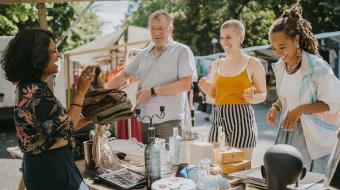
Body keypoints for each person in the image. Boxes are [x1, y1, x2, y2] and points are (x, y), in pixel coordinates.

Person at [1, 28, 98, 190]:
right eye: (53, 51)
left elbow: (57, 126)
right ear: (38, 56)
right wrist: (80, 92)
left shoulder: (26, 87)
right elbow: (65, 129)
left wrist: (92, 117)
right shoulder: (37, 93)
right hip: (53, 170)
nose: (58, 55)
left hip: (43, 167)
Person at [266, 3, 340, 174]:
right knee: (285, 179)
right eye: (273, 48)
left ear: (296, 40)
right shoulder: (280, 66)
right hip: (288, 131)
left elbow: (334, 102)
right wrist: (276, 107)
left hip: (313, 136)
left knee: (308, 183)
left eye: (282, 47)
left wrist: (300, 110)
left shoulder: (317, 67)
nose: (278, 52)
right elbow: (287, 95)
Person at [105, 10, 197, 144]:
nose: (156, 33)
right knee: (148, 162)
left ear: (170, 28)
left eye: (160, 28)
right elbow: (122, 75)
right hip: (145, 122)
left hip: (170, 123)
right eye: (152, 29)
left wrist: (153, 91)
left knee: (169, 163)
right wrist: (102, 94)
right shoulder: (143, 54)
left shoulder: (181, 51)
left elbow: (187, 84)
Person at [199, 19, 267, 161]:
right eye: (222, 38)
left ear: (241, 38)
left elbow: (263, 94)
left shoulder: (253, 63)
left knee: (240, 170)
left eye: (228, 37)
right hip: (219, 118)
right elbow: (213, 96)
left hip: (243, 120)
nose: (224, 42)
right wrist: (206, 90)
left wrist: (252, 98)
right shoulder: (216, 64)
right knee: (217, 167)